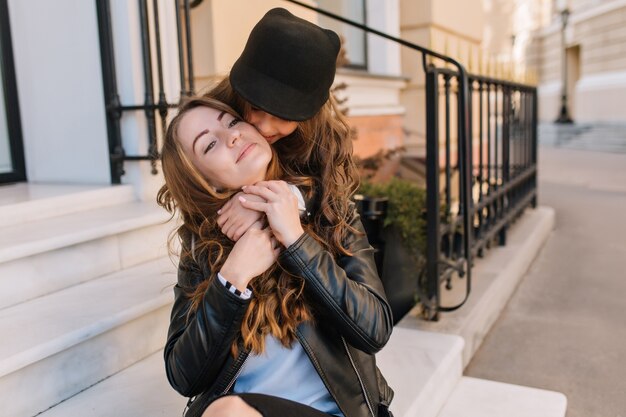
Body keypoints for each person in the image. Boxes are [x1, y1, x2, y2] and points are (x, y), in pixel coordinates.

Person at [157, 95, 394, 417]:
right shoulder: (203, 248)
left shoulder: (329, 214)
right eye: (209, 145)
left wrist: (296, 240)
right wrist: (233, 278)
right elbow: (184, 376)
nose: (233, 136)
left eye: (232, 122)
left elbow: (374, 329)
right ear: (202, 180)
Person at [206, 8, 359, 252]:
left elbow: (327, 192)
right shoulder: (216, 113)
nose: (264, 126)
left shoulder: (322, 140)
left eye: (283, 116)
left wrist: (277, 197)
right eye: (255, 107)